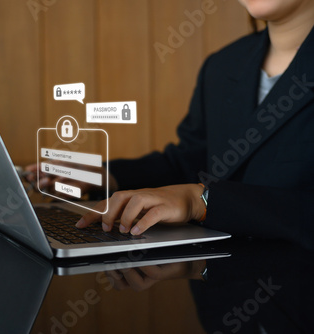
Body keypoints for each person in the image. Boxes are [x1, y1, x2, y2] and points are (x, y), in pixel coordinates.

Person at [27, 0, 314, 250]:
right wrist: (104, 176)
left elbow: (200, 190)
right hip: (218, 282)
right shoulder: (223, 65)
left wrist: (202, 200)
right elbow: (192, 162)